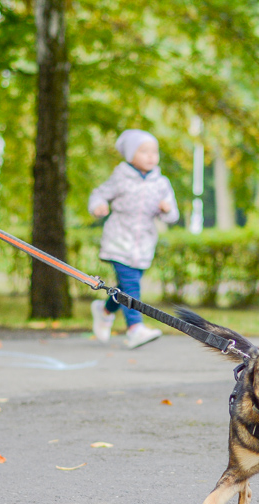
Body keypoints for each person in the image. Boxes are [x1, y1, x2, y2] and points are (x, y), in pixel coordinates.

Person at [88, 129, 179, 349]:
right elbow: (98, 194)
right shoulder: (120, 177)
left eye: (154, 152)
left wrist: (166, 210)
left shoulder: (161, 183)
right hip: (119, 240)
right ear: (130, 155)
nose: (150, 156)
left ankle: (105, 310)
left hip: (144, 244)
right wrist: (98, 206)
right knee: (130, 285)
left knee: (125, 286)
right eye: (144, 151)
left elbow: (173, 215)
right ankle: (135, 328)